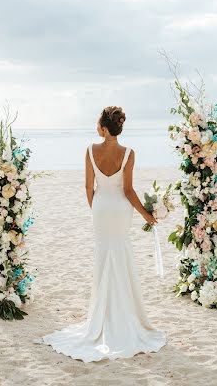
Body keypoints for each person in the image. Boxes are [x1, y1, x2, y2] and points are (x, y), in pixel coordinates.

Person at [35, 105, 167, 362]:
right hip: (120, 210)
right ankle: (123, 316)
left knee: (103, 257)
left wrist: (95, 207)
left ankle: (102, 317)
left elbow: (88, 186)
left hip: (100, 208)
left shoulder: (90, 151)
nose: (96, 128)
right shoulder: (128, 153)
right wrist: (146, 215)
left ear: (104, 128)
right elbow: (128, 191)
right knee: (121, 254)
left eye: (98, 124)